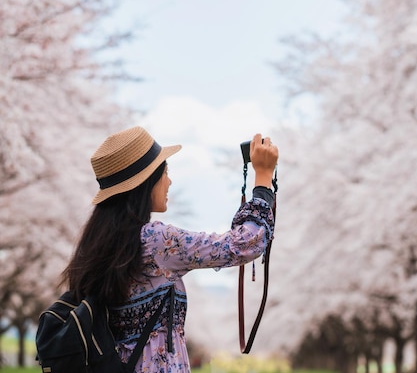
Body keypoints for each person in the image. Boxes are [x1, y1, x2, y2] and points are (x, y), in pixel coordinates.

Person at [60, 126, 278, 373]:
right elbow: (245, 244)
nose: (169, 181)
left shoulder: (96, 244)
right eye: (165, 172)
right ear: (146, 182)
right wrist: (263, 180)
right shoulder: (155, 240)